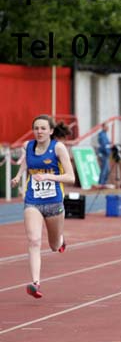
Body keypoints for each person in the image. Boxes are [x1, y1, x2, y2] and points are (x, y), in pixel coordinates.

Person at [10, 115, 75, 299]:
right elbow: (26, 161)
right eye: (36, 128)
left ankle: (60, 240)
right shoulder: (28, 146)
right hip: (33, 200)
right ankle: (35, 282)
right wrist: (19, 176)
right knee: (34, 240)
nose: (39, 131)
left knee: (54, 246)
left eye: (43, 128)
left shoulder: (58, 148)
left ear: (51, 131)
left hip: (54, 202)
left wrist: (48, 177)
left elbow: (71, 177)